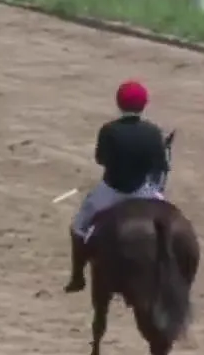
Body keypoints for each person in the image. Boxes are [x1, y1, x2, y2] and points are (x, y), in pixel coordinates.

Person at [65, 80, 170, 293]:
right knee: (168, 226)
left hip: (113, 190)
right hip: (144, 191)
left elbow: (101, 159)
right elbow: (160, 166)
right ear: (144, 104)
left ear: (119, 103)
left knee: (78, 227)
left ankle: (77, 277)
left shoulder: (109, 130)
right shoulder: (153, 132)